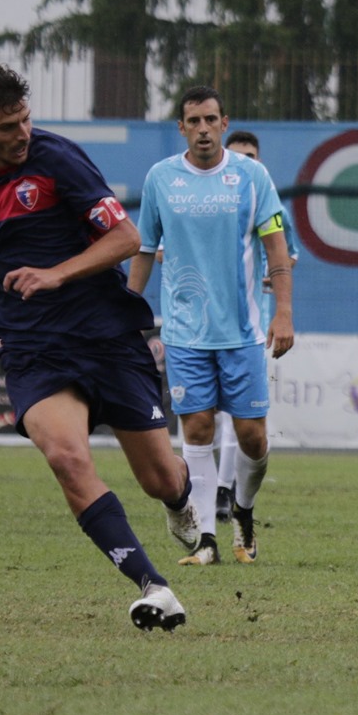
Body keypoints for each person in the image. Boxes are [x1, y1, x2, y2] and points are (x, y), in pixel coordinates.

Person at [0, 64, 200, 632]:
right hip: (32, 346)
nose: (22, 134)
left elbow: (126, 237)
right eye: (6, 127)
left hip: (105, 334)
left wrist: (57, 274)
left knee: (159, 479)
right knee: (67, 459)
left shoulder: (58, 159)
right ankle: (154, 587)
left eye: (25, 119)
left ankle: (180, 498)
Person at [128, 87, 294, 568]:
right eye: (193, 121)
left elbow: (277, 249)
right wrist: (126, 309)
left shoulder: (251, 176)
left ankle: (242, 509)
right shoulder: (162, 178)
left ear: (225, 123)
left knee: (252, 438)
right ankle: (206, 539)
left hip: (242, 331)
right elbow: (143, 249)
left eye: (210, 120)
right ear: (181, 128)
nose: (202, 128)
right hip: (184, 333)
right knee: (196, 428)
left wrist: (283, 312)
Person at [211, 129, 301, 525]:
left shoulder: (269, 203)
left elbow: (287, 254)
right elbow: (162, 248)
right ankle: (214, 489)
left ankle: (223, 488)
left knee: (240, 413)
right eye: (238, 155)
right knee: (204, 415)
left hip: (251, 323)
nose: (246, 161)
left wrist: (270, 275)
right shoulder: (204, 200)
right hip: (203, 323)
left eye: (252, 155)